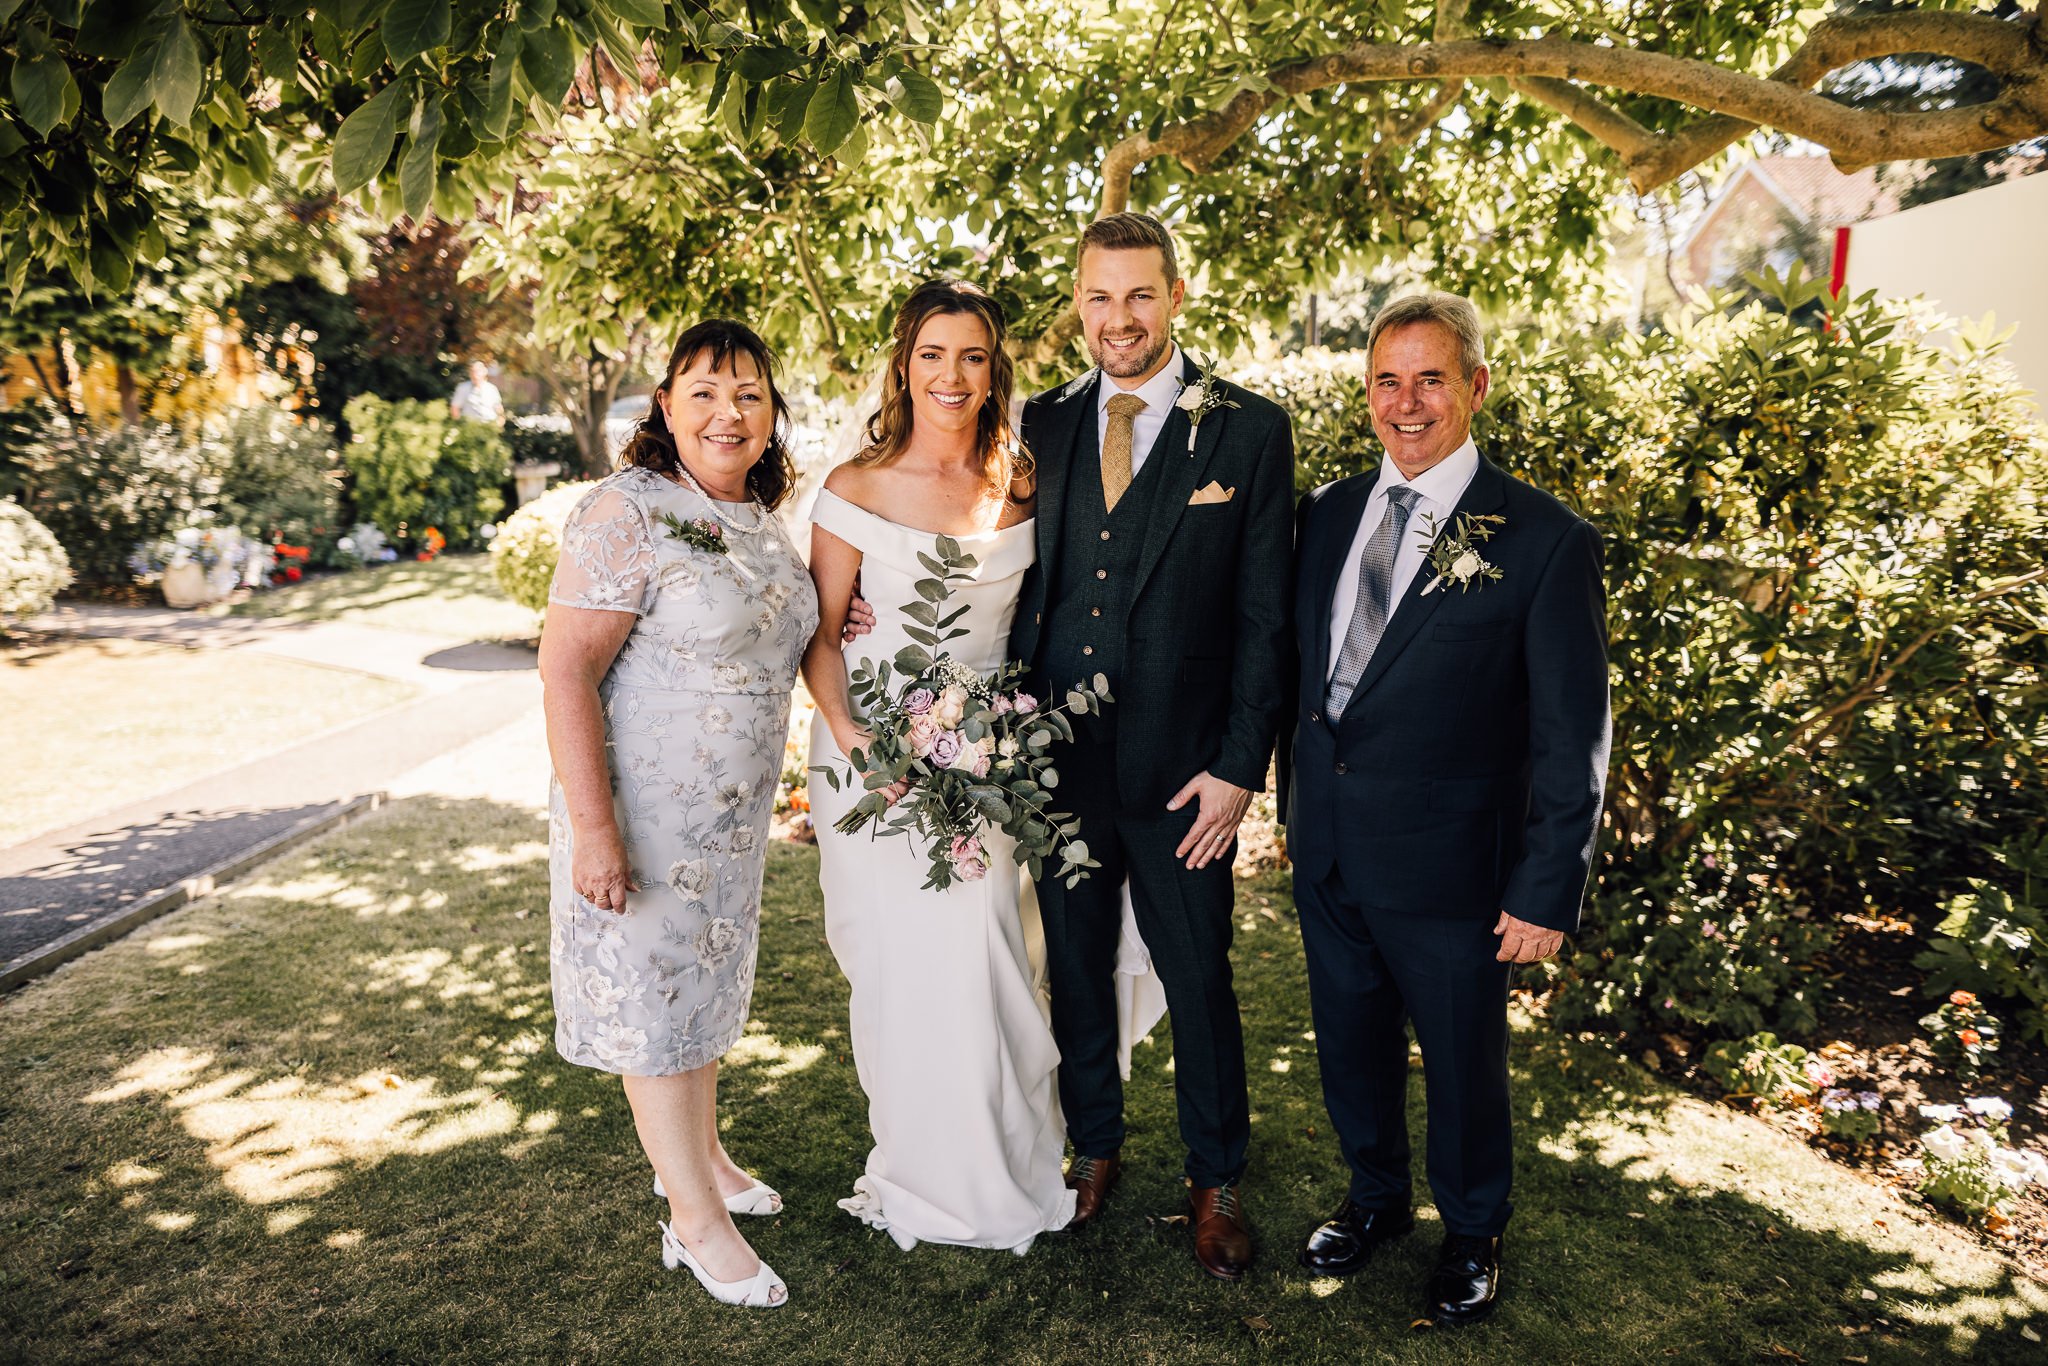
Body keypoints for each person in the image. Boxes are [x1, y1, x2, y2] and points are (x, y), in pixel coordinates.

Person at [1283, 291, 1610, 1324]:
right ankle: (1375, 1197)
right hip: (1328, 845)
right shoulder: (1326, 514)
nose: (1406, 402)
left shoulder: (1544, 540)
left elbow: (1572, 733)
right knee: (1348, 1041)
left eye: (1430, 378)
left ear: (1474, 387)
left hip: (1453, 866)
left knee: (1463, 1063)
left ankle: (1472, 1231)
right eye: (1386, 379)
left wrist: (1545, 884)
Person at [1009, 213, 1293, 1280]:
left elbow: (1267, 618)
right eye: (1097, 297)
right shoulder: (1038, 423)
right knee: (1074, 969)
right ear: (1075, 303)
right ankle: (1095, 1146)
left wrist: (1236, 769)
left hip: (1187, 777)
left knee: (1198, 974)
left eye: (1137, 296)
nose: (1116, 318)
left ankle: (1214, 1178)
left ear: (1174, 296)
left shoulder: (1248, 431)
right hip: (1062, 765)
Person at [802, 278, 1086, 1254]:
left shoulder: (1022, 480)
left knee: (992, 952)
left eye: (970, 355)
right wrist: (864, 748)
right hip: (871, 752)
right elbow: (822, 639)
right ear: (903, 364)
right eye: (932, 355)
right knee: (901, 966)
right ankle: (922, 1168)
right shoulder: (853, 488)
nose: (951, 375)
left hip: (988, 748)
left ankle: (1006, 1162)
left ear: (992, 367)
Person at [540, 319, 818, 1309]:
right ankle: (695, 1223)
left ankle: (699, 1158)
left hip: (726, 831)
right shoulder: (625, 511)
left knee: (696, 1006)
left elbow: (778, 627)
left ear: (770, 412)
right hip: (643, 821)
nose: (726, 412)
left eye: (747, 393)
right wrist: (595, 829)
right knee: (654, 1010)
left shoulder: (756, 512)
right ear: (664, 405)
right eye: (702, 391)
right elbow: (565, 668)